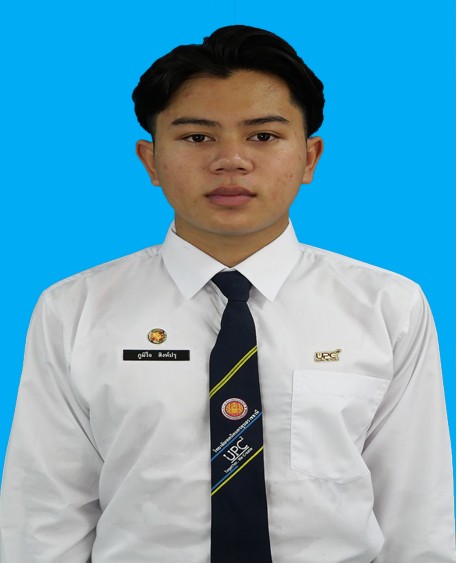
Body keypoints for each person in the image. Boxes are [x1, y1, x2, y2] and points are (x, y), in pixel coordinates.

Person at [0, 24, 454, 563]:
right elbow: (44, 515)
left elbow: (417, 514)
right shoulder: (74, 309)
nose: (231, 160)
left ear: (309, 158)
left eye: (263, 136)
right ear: (151, 160)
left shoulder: (388, 306)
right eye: (197, 137)